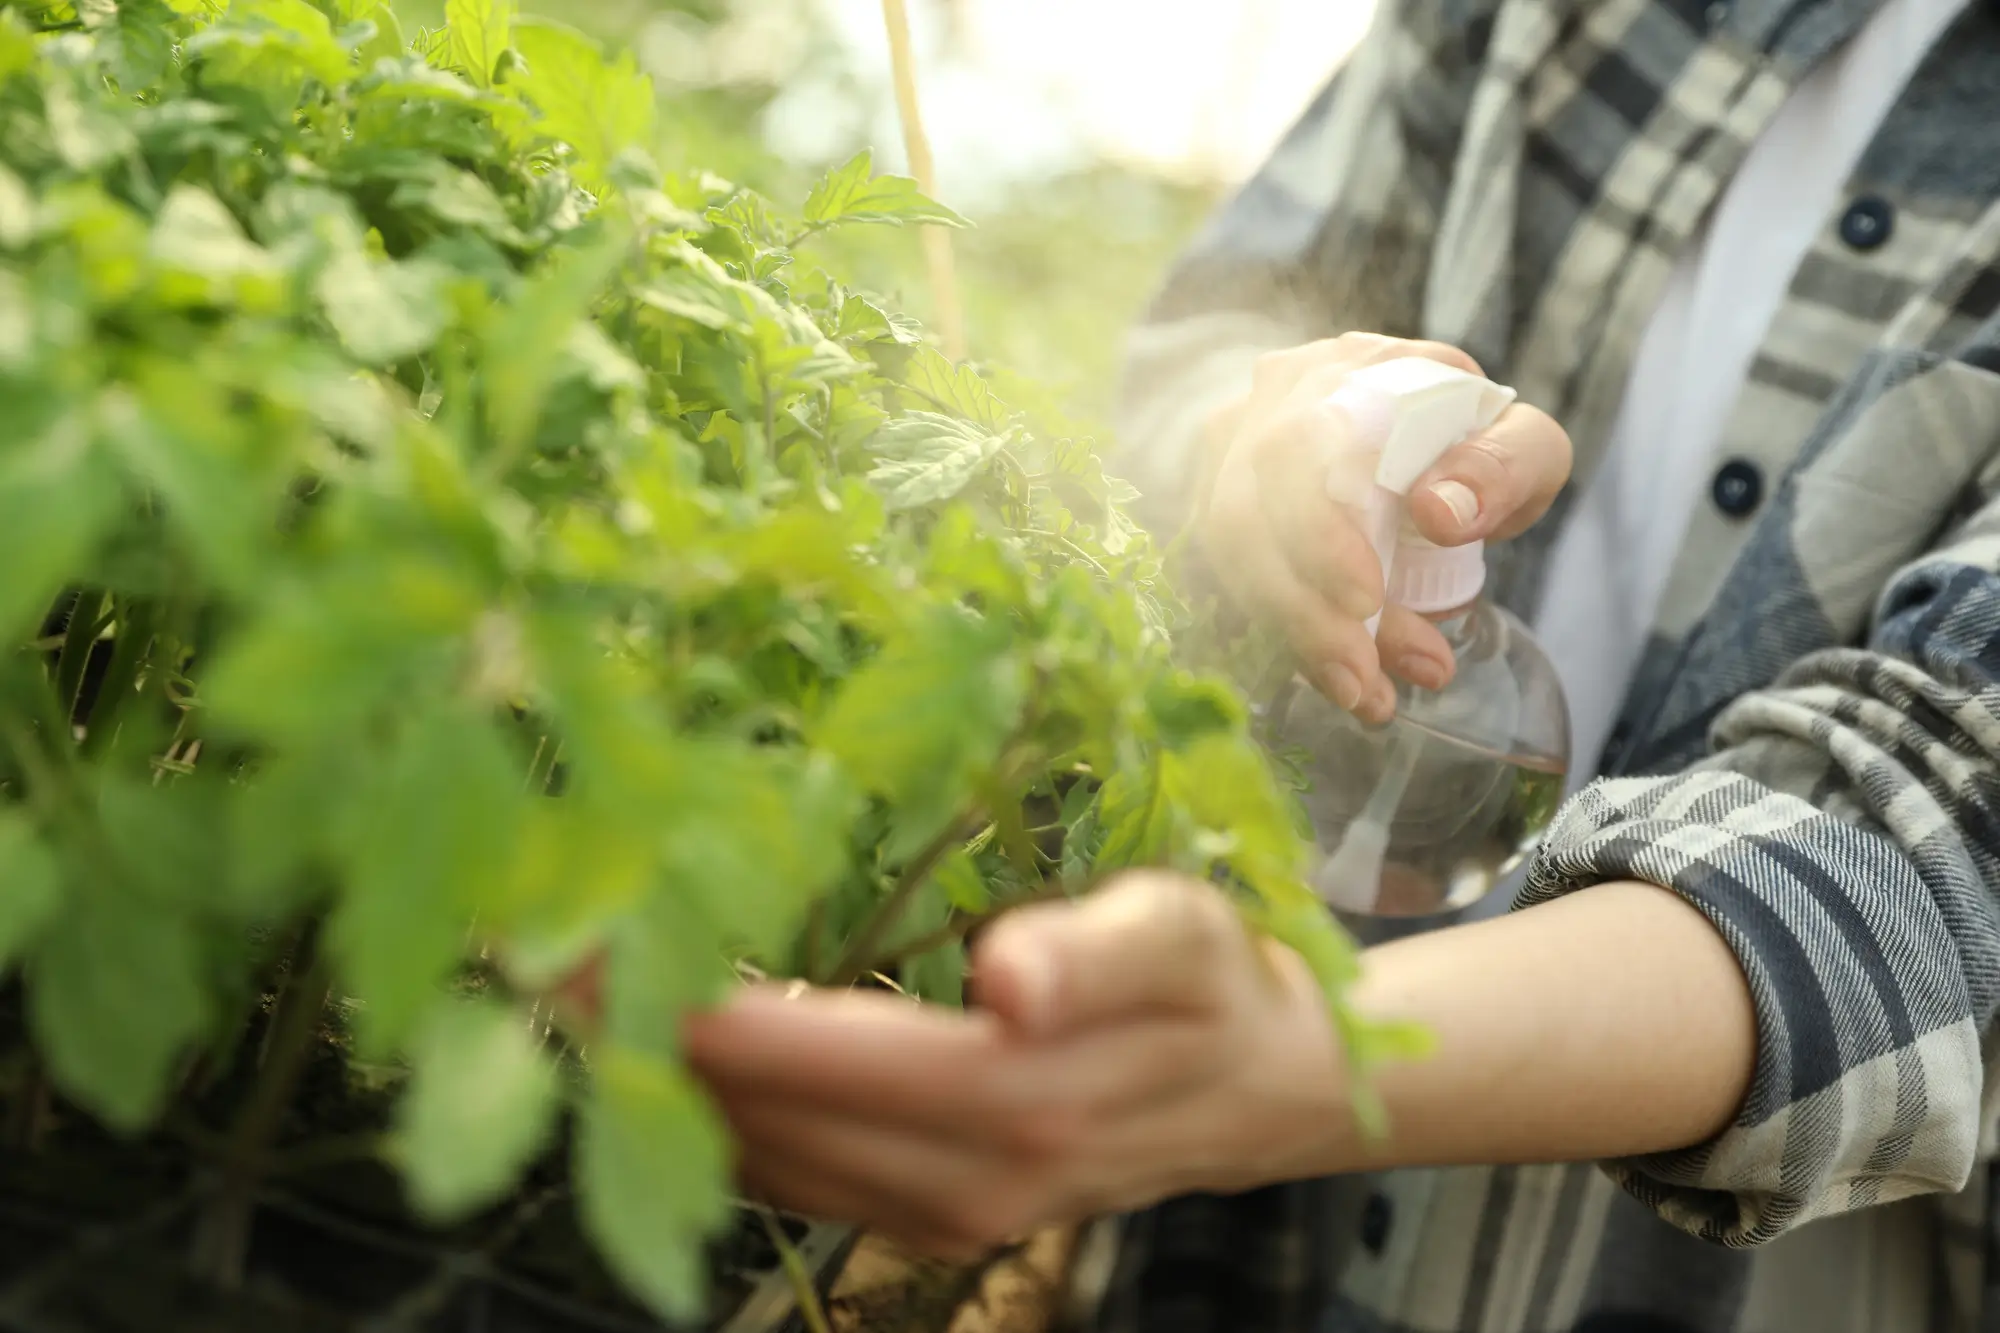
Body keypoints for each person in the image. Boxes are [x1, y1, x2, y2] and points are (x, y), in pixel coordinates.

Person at [685, 0, 2000, 1328]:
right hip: (1229, 1257)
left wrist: (1280, 1065)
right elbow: (1213, 340)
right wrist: (1263, 445)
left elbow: (1937, 856)